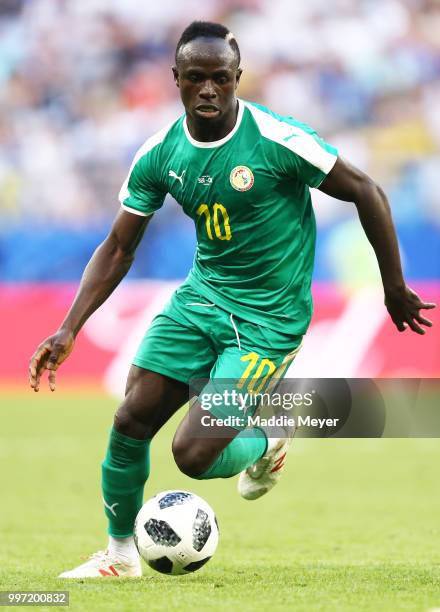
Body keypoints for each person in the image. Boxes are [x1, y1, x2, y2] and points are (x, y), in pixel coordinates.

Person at [29, 21, 435, 578]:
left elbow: (366, 189)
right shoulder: (160, 153)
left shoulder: (276, 139)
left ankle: (270, 435)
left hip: (267, 320)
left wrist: (393, 286)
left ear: (237, 77)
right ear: (176, 78)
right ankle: (120, 556)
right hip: (200, 301)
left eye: (221, 78)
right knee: (129, 420)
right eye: (195, 78)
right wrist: (70, 327)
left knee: (192, 455)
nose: (209, 91)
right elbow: (119, 245)